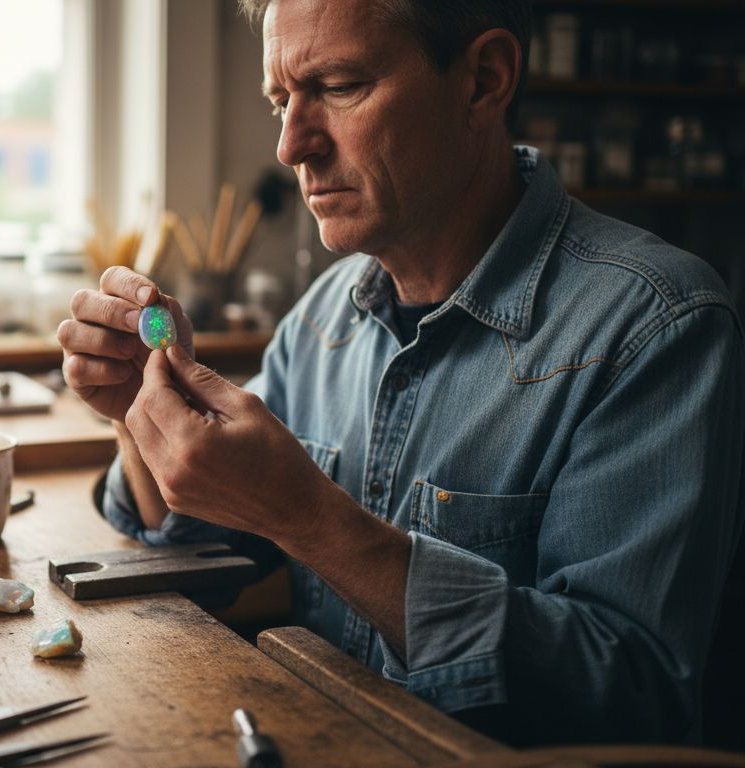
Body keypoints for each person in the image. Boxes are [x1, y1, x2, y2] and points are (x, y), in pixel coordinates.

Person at [56, 0, 745, 747]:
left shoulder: (656, 328)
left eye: (340, 85)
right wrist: (139, 412)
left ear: (484, 79)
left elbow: (632, 699)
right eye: (282, 99)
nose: (292, 145)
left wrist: (308, 516)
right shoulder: (323, 316)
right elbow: (209, 554)